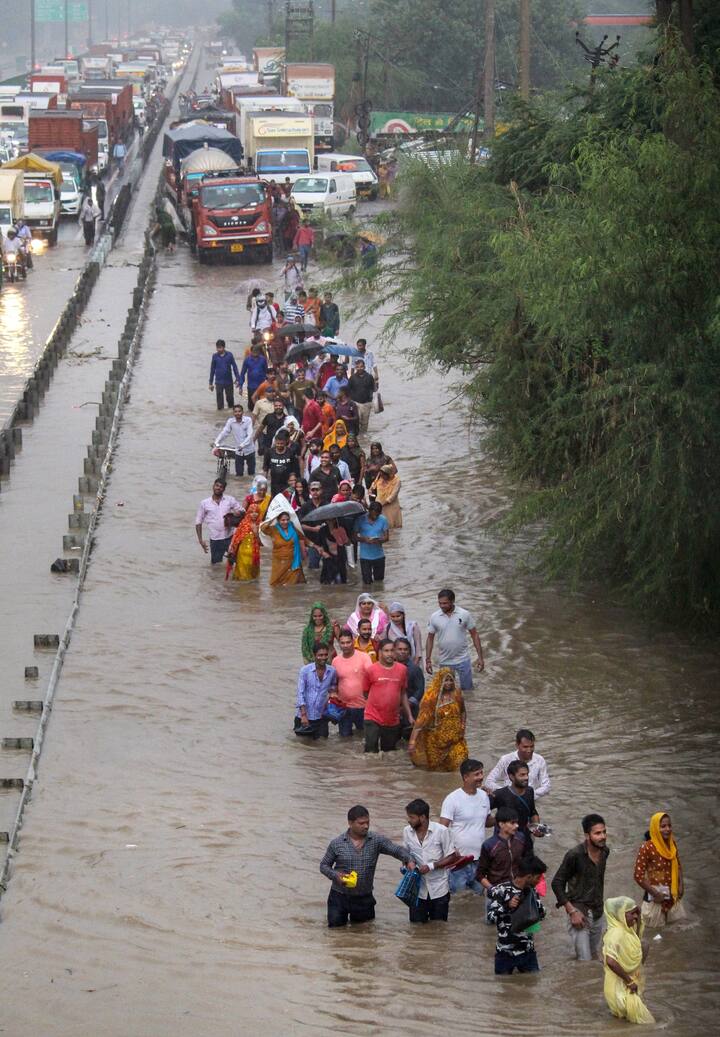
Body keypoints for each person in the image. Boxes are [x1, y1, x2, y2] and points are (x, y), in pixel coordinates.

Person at [320, 805, 416, 928]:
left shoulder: (376, 840)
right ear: (350, 823)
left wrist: (409, 859)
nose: (365, 826)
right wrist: (336, 875)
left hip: (364, 898)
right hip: (339, 897)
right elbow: (324, 866)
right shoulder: (337, 843)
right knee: (336, 934)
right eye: (361, 823)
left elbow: (396, 850)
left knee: (365, 935)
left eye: (367, 822)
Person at [551, 813, 609, 961]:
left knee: (594, 956)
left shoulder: (604, 851)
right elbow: (557, 883)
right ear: (587, 835)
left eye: (604, 832)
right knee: (584, 961)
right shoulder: (574, 855)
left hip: (597, 911)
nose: (602, 836)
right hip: (579, 914)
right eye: (597, 833)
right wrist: (572, 911)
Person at [487, 855, 547, 975]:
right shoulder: (501, 890)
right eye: (538, 877)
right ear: (529, 876)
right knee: (503, 988)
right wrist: (507, 906)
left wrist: (539, 908)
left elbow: (541, 915)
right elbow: (491, 917)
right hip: (505, 953)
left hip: (528, 952)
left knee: (531, 986)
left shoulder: (532, 891)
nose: (539, 881)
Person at [439, 758, 492, 894]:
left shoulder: (484, 796)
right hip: (458, 861)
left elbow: (486, 822)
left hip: (480, 860)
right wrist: (450, 849)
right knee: (458, 901)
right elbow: (442, 829)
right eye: (477, 774)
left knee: (478, 899)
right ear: (466, 777)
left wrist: (505, 819)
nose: (481, 777)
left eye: (481, 773)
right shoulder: (452, 799)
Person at [403, 799, 458, 924]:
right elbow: (405, 854)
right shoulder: (407, 831)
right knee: (416, 928)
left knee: (439, 928)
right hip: (417, 890)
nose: (409, 820)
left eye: (412, 817)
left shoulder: (441, 831)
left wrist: (431, 866)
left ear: (422, 817)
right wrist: (408, 863)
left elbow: (452, 856)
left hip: (439, 889)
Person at [602, 898, 655, 1024]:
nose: (635, 917)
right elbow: (611, 961)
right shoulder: (616, 934)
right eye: (631, 913)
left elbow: (637, 939)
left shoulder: (626, 930)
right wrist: (629, 981)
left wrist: (638, 914)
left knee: (626, 1024)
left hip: (625, 984)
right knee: (645, 1023)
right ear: (620, 915)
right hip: (619, 987)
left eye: (635, 913)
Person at [408, 669, 468, 771]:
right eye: (445, 680)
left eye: (451, 680)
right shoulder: (431, 698)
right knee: (437, 771)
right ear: (440, 680)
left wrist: (462, 727)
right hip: (436, 742)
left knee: (460, 763)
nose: (448, 683)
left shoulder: (457, 694)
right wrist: (412, 741)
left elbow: (463, 711)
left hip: (455, 740)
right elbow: (420, 722)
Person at [425, 588, 485, 691]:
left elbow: (474, 635)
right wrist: (428, 660)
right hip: (445, 660)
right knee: (446, 692)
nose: (442, 606)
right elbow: (430, 638)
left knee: (468, 691)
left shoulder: (464, 614)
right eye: (440, 603)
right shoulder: (434, 617)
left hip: (463, 659)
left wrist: (480, 657)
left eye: (445, 603)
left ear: (452, 601)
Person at [633, 812, 685, 927]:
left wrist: (681, 884)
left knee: (676, 933)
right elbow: (638, 876)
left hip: (673, 896)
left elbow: (678, 865)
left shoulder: (672, 844)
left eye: (669, 826)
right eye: (663, 826)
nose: (667, 829)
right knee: (653, 936)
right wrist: (655, 893)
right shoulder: (646, 847)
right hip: (655, 899)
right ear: (655, 828)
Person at [362, 639, 414, 753]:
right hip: (372, 717)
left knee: (389, 753)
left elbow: (403, 693)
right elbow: (365, 693)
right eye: (386, 651)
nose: (389, 654)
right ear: (379, 652)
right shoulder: (371, 670)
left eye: (392, 650)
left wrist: (409, 716)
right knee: (370, 752)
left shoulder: (402, 669)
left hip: (392, 719)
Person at [477, 808, 530, 919]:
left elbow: (527, 862)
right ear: (501, 824)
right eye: (512, 823)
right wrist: (494, 890)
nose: (516, 826)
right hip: (497, 892)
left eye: (517, 822)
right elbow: (480, 875)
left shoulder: (521, 838)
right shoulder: (489, 845)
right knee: (492, 928)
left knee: (518, 924)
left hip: (517, 890)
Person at [485, 728, 551, 798]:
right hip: (509, 800)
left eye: (532, 746)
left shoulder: (539, 760)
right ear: (517, 745)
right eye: (525, 747)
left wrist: (531, 794)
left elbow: (546, 786)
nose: (529, 750)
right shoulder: (506, 759)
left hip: (531, 799)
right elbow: (489, 782)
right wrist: (506, 792)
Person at [333, 627, 372, 737]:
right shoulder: (336, 661)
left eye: (348, 642)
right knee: (344, 738)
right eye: (342, 643)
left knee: (365, 736)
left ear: (353, 641)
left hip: (363, 706)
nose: (345, 645)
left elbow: (372, 678)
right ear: (339, 644)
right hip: (344, 707)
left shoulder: (364, 657)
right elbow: (334, 683)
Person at [195, 479, 244, 564]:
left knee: (237, 562)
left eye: (221, 487)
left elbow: (243, 511)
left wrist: (236, 513)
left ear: (224, 489)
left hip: (230, 538)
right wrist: (200, 540)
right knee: (216, 567)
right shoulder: (204, 503)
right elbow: (198, 521)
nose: (218, 488)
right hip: (215, 540)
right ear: (213, 486)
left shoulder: (230, 500)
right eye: (217, 485)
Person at [294, 642, 337, 740]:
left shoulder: (332, 671)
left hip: (321, 716)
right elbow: (300, 693)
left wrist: (331, 707)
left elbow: (333, 689)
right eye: (320, 655)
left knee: (322, 745)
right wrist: (304, 715)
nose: (323, 658)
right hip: (304, 717)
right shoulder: (305, 671)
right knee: (303, 747)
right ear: (314, 656)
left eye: (326, 655)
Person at [490, 760, 541, 841]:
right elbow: (482, 811)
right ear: (512, 777)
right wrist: (496, 821)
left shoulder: (529, 791)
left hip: (525, 838)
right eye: (522, 775)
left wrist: (537, 827)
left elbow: (532, 812)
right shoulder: (500, 794)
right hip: (505, 841)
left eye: (527, 774)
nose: (526, 778)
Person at [260, 510, 307, 585]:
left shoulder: (292, 527)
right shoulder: (273, 530)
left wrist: (315, 546)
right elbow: (263, 528)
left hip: (294, 562)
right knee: (276, 585)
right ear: (278, 520)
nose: (286, 522)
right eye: (283, 520)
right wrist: (272, 518)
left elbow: (302, 537)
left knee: (293, 587)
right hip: (279, 563)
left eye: (287, 519)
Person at [214, 403, 256, 477]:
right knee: (239, 474)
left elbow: (250, 435)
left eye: (239, 411)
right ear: (233, 413)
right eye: (235, 412)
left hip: (249, 450)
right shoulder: (231, 421)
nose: (237, 413)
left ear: (242, 412)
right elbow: (225, 432)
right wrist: (217, 442)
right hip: (238, 452)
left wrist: (242, 445)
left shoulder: (248, 420)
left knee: (251, 473)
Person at [355, 501, 389, 585]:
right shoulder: (360, 519)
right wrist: (364, 539)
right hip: (365, 557)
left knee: (379, 581)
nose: (375, 517)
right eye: (373, 514)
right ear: (369, 511)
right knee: (367, 583)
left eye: (377, 515)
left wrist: (379, 540)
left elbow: (387, 537)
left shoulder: (383, 519)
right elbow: (354, 536)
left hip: (379, 556)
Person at [227, 501, 262, 581]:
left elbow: (262, 543)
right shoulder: (243, 524)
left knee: (253, 579)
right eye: (251, 512)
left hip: (254, 556)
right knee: (242, 579)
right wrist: (231, 548)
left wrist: (256, 532)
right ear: (248, 513)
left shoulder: (261, 525)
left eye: (256, 512)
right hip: (242, 555)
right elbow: (236, 538)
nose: (254, 514)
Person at [263, 428, 300, 497]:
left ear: (286, 442)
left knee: (288, 500)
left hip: (288, 483)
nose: (279, 445)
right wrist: (264, 482)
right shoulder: (269, 452)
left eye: (281, 443)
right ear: (275, 442)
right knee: (275, 500)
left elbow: (296, 469)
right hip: (274, 483)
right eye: (278, 443)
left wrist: (296, 482)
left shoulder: (291, 452)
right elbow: (266, 468)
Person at [393, 638, 425, 716]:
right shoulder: (389, 667)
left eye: (405, 649)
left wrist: (408, 704)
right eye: (400, 649)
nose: (403, 652)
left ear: (409, 651)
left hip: (410, 711)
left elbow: (419, 690)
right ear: (394, 650)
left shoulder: (414, 669)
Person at [209, 339, 240, 411]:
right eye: (217, 348)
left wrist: (238, 378)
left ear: (224, 347)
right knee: (219, 401)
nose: (219, 349)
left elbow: (234, 367)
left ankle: (232, 414)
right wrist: (210, 383)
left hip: (228, 381)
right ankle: (220, 415)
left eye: (220, 347)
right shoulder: (215, 356)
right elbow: (212, 370)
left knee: (230, 399)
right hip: (218, 382)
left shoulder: (229, 355)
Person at [348, 358, 375, 434]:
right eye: (358, 367)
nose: (359, 368)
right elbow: (348, 390)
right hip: (356, 403)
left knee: (365, 423)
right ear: (356, 368)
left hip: (367, 403)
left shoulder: (369, 377)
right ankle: (357, 436)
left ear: (364, 367)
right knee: (357, 420)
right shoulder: (352, 378)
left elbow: (373, 389)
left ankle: (364, 438)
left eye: (361, 366)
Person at [239, 343, 268, 411]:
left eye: (257, 351)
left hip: (261, 385)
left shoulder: (263, 359)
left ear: (259, 352)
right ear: (251, 352)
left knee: (263, 403)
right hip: (251, 386)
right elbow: (243, 373)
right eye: (254, 352)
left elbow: (266, 371)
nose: (255, 353)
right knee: (251, 406)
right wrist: (240, 386)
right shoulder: (247, 360)